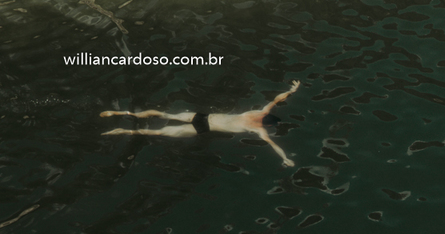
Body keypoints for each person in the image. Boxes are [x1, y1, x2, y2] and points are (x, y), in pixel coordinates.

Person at [100, 81, 300, 167]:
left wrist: (292, 91)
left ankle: (122, 112)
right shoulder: (259, 129)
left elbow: (277, 99)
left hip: (203, 116)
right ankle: (123, 130)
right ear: (270, 125)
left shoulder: (261, 112)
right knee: (160, 133)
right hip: (203, 128)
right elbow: (274, 146)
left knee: (162, 113)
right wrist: (285, 159)